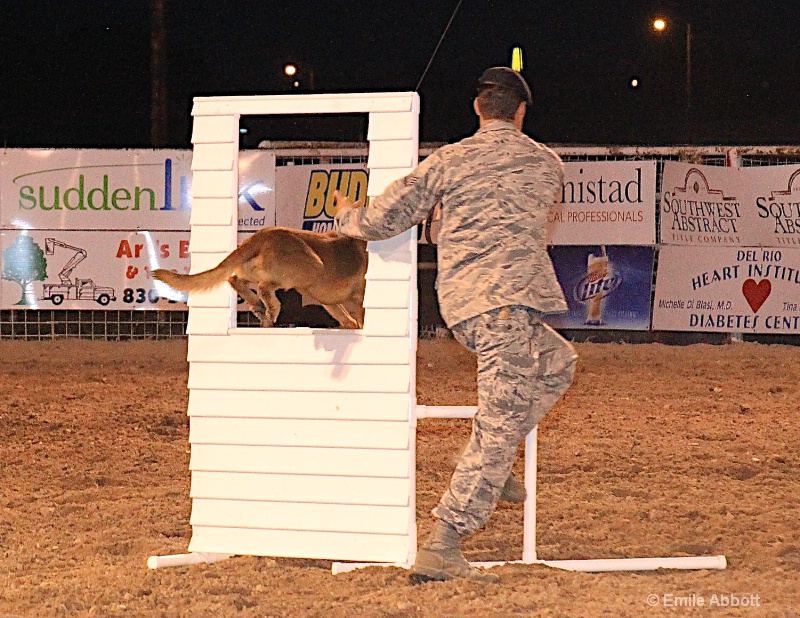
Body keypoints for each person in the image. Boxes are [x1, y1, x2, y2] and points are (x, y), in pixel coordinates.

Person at [334, 67, 578, 583]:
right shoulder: (547, 163)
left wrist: (347, 218)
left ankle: (499, 449)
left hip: (468, 307)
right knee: (497, 422)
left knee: (559, 362)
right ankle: (445, 540)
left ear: (477, 109)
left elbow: (383, 220)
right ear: (521, 110)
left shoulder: (448, 160)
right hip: (510, 307)